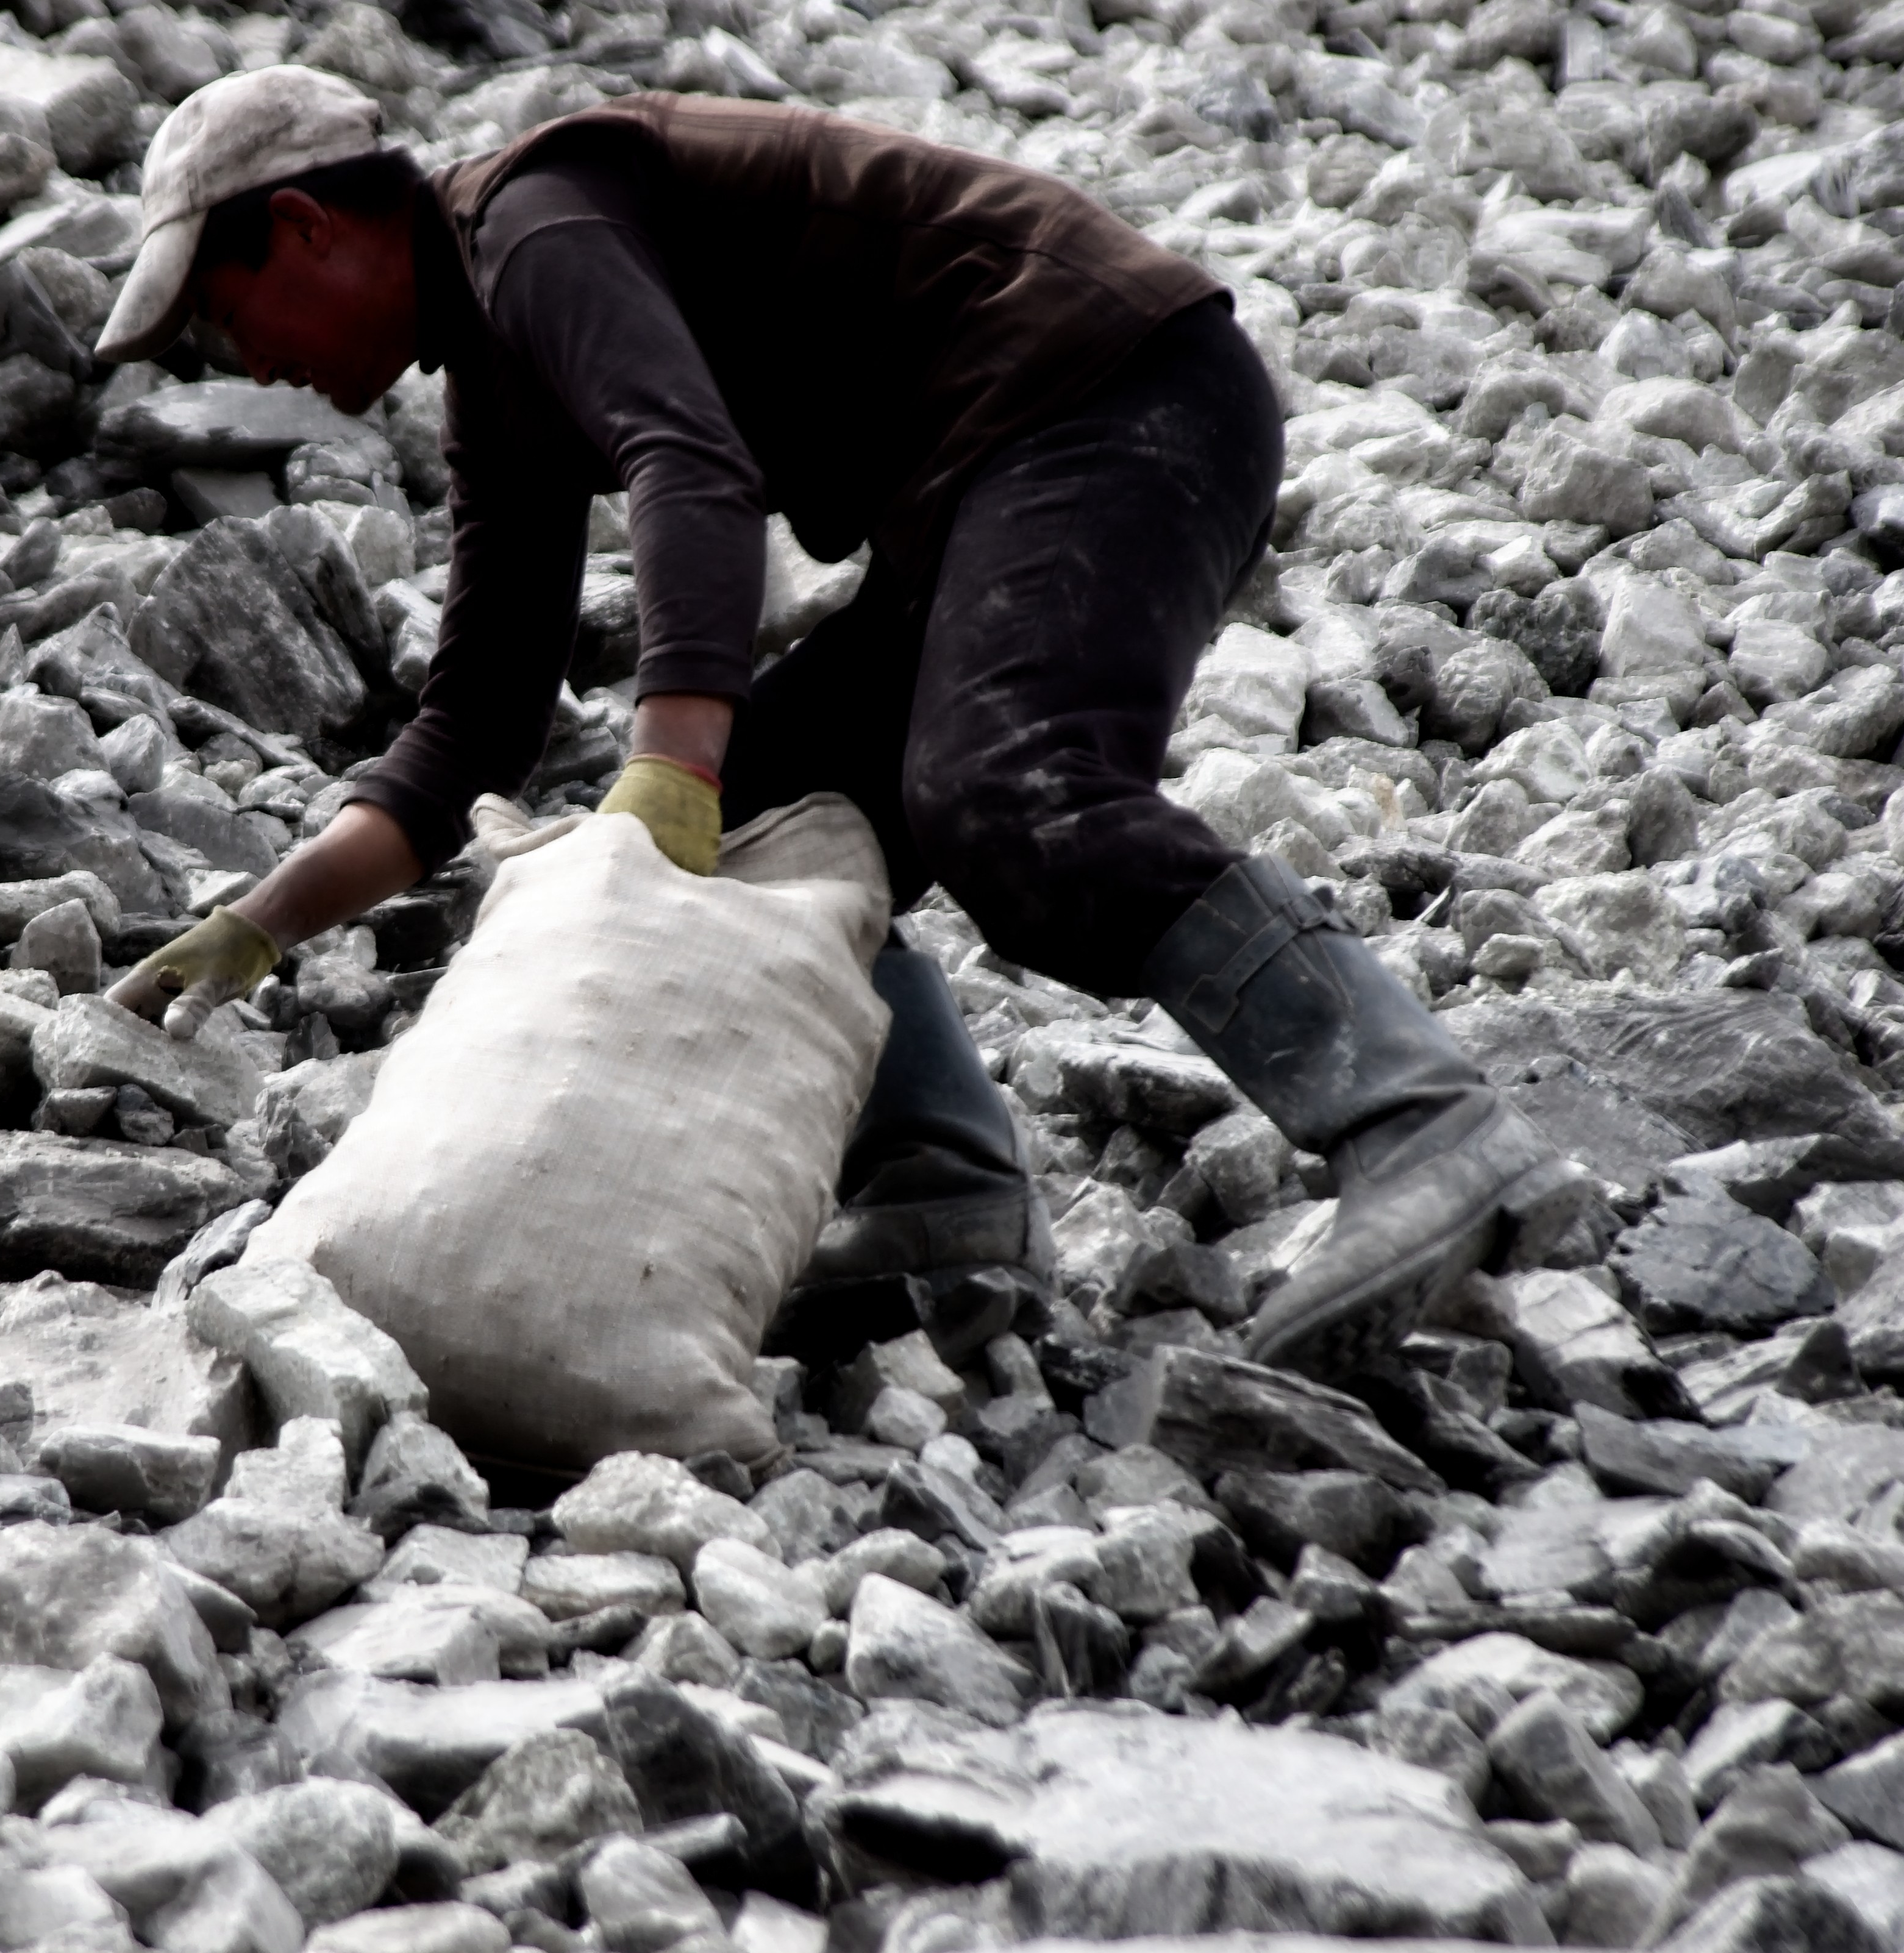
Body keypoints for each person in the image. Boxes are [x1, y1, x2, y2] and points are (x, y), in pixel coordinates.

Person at [93, 65, 1591, 1384]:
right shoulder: (493, 381)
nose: (250, 366)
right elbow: (475, 720)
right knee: (756, 828)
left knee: (1006, 790)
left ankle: (1414, 1116)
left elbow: (690, 462)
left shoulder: (529, 227)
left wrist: (664, 761)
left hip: (1113, 391)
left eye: (228, 317)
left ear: (306, 226)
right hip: (987, 474)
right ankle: (941, 1188)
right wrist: (262, 924)